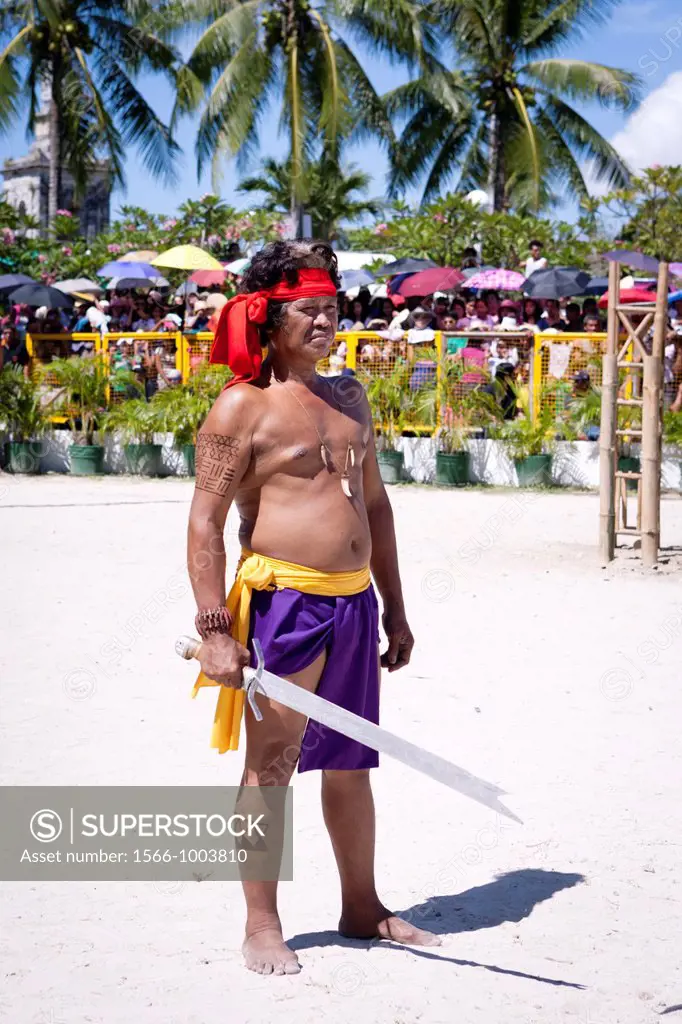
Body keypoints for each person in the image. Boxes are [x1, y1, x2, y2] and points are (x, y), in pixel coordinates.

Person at [187, 240, 437, 978]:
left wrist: (396, 608)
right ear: (267, 316)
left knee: (351, 763)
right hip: (283, 603)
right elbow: (204, 523)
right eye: (310, 308)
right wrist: (214, 631)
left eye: (332, 305)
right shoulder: (242, 405)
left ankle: (361, 906)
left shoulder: (349, 397)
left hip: (355, 605)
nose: (328, 318)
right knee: (271, 766)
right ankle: (261, 924)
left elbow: (379, 508)